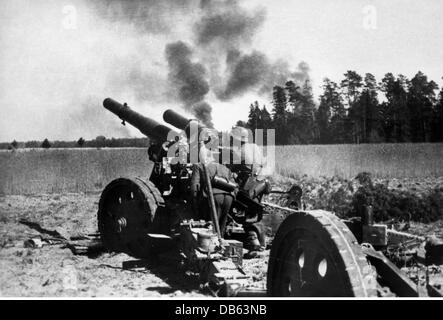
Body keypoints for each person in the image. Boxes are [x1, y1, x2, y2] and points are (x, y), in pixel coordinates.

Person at [190, 144, 236, 236]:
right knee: (222, 223)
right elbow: (234, 185)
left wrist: (195, 200)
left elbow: (194, 186)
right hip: (229, 197)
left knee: (211, 224)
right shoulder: (224, 168)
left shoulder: (199, 166)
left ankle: (212, 246)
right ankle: (221, 242)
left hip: (214, 197)